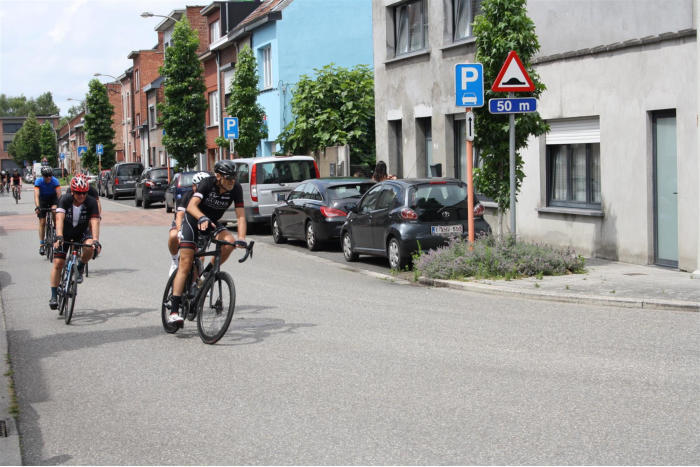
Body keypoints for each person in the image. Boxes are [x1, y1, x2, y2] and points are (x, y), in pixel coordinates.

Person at [167, 160, 246, 326]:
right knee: (186, 263)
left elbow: (240, 216)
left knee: (229, 241)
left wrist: (242, 238)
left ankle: (206, 274)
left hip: (211, 222)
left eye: (234, 177)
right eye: (228, 178)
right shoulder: (207, 184)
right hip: (193, 220)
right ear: (218, 176)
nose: (232, 181)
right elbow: (191, 206)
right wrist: (202, 217)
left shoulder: (236, 188)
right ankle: (174, 311)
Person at [49, 177, 101, 309]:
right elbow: (59, 218)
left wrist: (96, 240)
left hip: (81, 232)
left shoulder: (91, 202)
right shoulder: (65, 199)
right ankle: (54, 295)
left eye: (84, 193)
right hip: (64, 233)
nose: (82, 196)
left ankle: (81, 266)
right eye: (78, 193)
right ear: (72, 192)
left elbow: (95, 221)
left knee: (89, 246)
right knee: (58, 263)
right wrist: (59, 236)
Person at [167, 171, 210, 276]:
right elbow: (180, 215)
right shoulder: (188, 195)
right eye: (196, 186)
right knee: (173, 235)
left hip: (199, 226)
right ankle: (174, 261)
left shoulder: (209, 199)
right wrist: (179, 231)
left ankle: (197, 280)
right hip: (183, 222)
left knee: (200, 257)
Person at [34, 166, 62, 256]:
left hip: (53, 198)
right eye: (46, 176)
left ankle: (55, 232)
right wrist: (37, 207)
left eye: (50, 175)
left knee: (54, 211)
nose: (49, 177)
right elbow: (36, 195)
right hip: (43, 199)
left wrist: (60, 206)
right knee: (42, 222)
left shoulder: (55, 181)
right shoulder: (38, 181)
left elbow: (59, 195)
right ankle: (42, 244)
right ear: (43, 176)